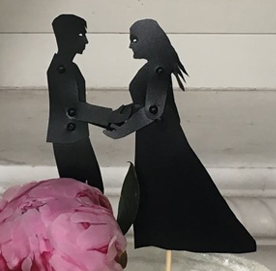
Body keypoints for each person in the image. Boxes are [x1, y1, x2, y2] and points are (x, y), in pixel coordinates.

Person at [104, 19, 256, 253]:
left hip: (160, 139)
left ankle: (189, 236)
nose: (130, 46)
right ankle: (163, 237)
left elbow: (153, 111)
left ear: (149, 40)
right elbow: (144, 105)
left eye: (134, 40)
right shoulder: (152, 67)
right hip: (152, 137)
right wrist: (122, 114)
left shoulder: (157, 69)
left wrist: (121, 131)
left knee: (171, 185)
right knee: (163, 186)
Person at [46, 14, 127, 192]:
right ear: (67, 37)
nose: (86, 41)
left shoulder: (67, 66)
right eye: (81, 35)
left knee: (89, 190)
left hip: (72, 137)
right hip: (70, 141)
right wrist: (110, 117)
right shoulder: (62, 69)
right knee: (88, 190)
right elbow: (73, 109)